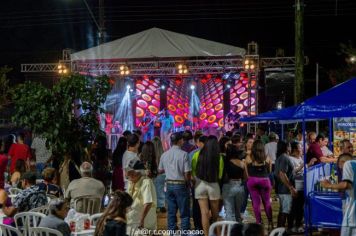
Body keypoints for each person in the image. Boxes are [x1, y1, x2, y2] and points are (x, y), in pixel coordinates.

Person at [158, 132, 191, 234]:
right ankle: (184, 233)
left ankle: (171, 232)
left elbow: (160, 170)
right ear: (180, 141)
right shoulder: (184, 154)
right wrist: (188, 184)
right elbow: (187, 173)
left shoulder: (164, 154)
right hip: (181, 185)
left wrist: (169, 169)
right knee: (184, 213)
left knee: (171, 212)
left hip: (169, 185)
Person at [194, 136, 224, 236]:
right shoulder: (218, 156)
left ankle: (206, 234)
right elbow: (220, 174)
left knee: (204, 213)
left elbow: (194, 171)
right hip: (213, 185)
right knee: (215, 215)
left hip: (200, 185)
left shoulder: (197, 154)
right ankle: (217, 234)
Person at [320, 153, 354, 236]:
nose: (341, 169)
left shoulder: (348, 164)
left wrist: (329, 186)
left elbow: (346, 185)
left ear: (341, 163)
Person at [246, 140, 273, 229]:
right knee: (267, 203)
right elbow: (269, 171)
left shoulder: (249, 157)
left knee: (256, 203)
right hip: (265, 180)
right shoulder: (267, 158)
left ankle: (259, 223)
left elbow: (247, 173)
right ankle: (270, 222)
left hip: (252, 180)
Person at [126, 159, 157, 230]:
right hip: (132, 221)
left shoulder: (146, 182)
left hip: (144, 223)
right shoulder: (131, 182)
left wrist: (141, 220)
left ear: (139, 173)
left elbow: (148, 203)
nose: (129, 175)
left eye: (132, 173)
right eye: (129, 172)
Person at [274, 141, 296, 229]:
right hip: (285, 190)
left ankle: (280, 230)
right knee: (285, 211)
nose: (291, 148)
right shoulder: (284, 158)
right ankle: (281, 231)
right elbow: (282, 174)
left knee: (283, 210)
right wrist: (290, 187)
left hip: (281, 188)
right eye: (289, 146)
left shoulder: (280, 157)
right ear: (286, 147)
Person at [222, 144, 245, 223]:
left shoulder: (226, 162)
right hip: (240, 186)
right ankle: (238, 230)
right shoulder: (242, 163)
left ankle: (231, 230)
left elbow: (225, 176)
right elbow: (246, 177)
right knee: (237, 212)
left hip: (228, 186)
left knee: (229, 212)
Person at [151, 137, 166, 213]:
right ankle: (161, 205)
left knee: (153, 190)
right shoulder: (163, 154)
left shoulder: (150, 154)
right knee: (161, 190)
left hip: (153, 174)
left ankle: (154, 206)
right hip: (162, 174)